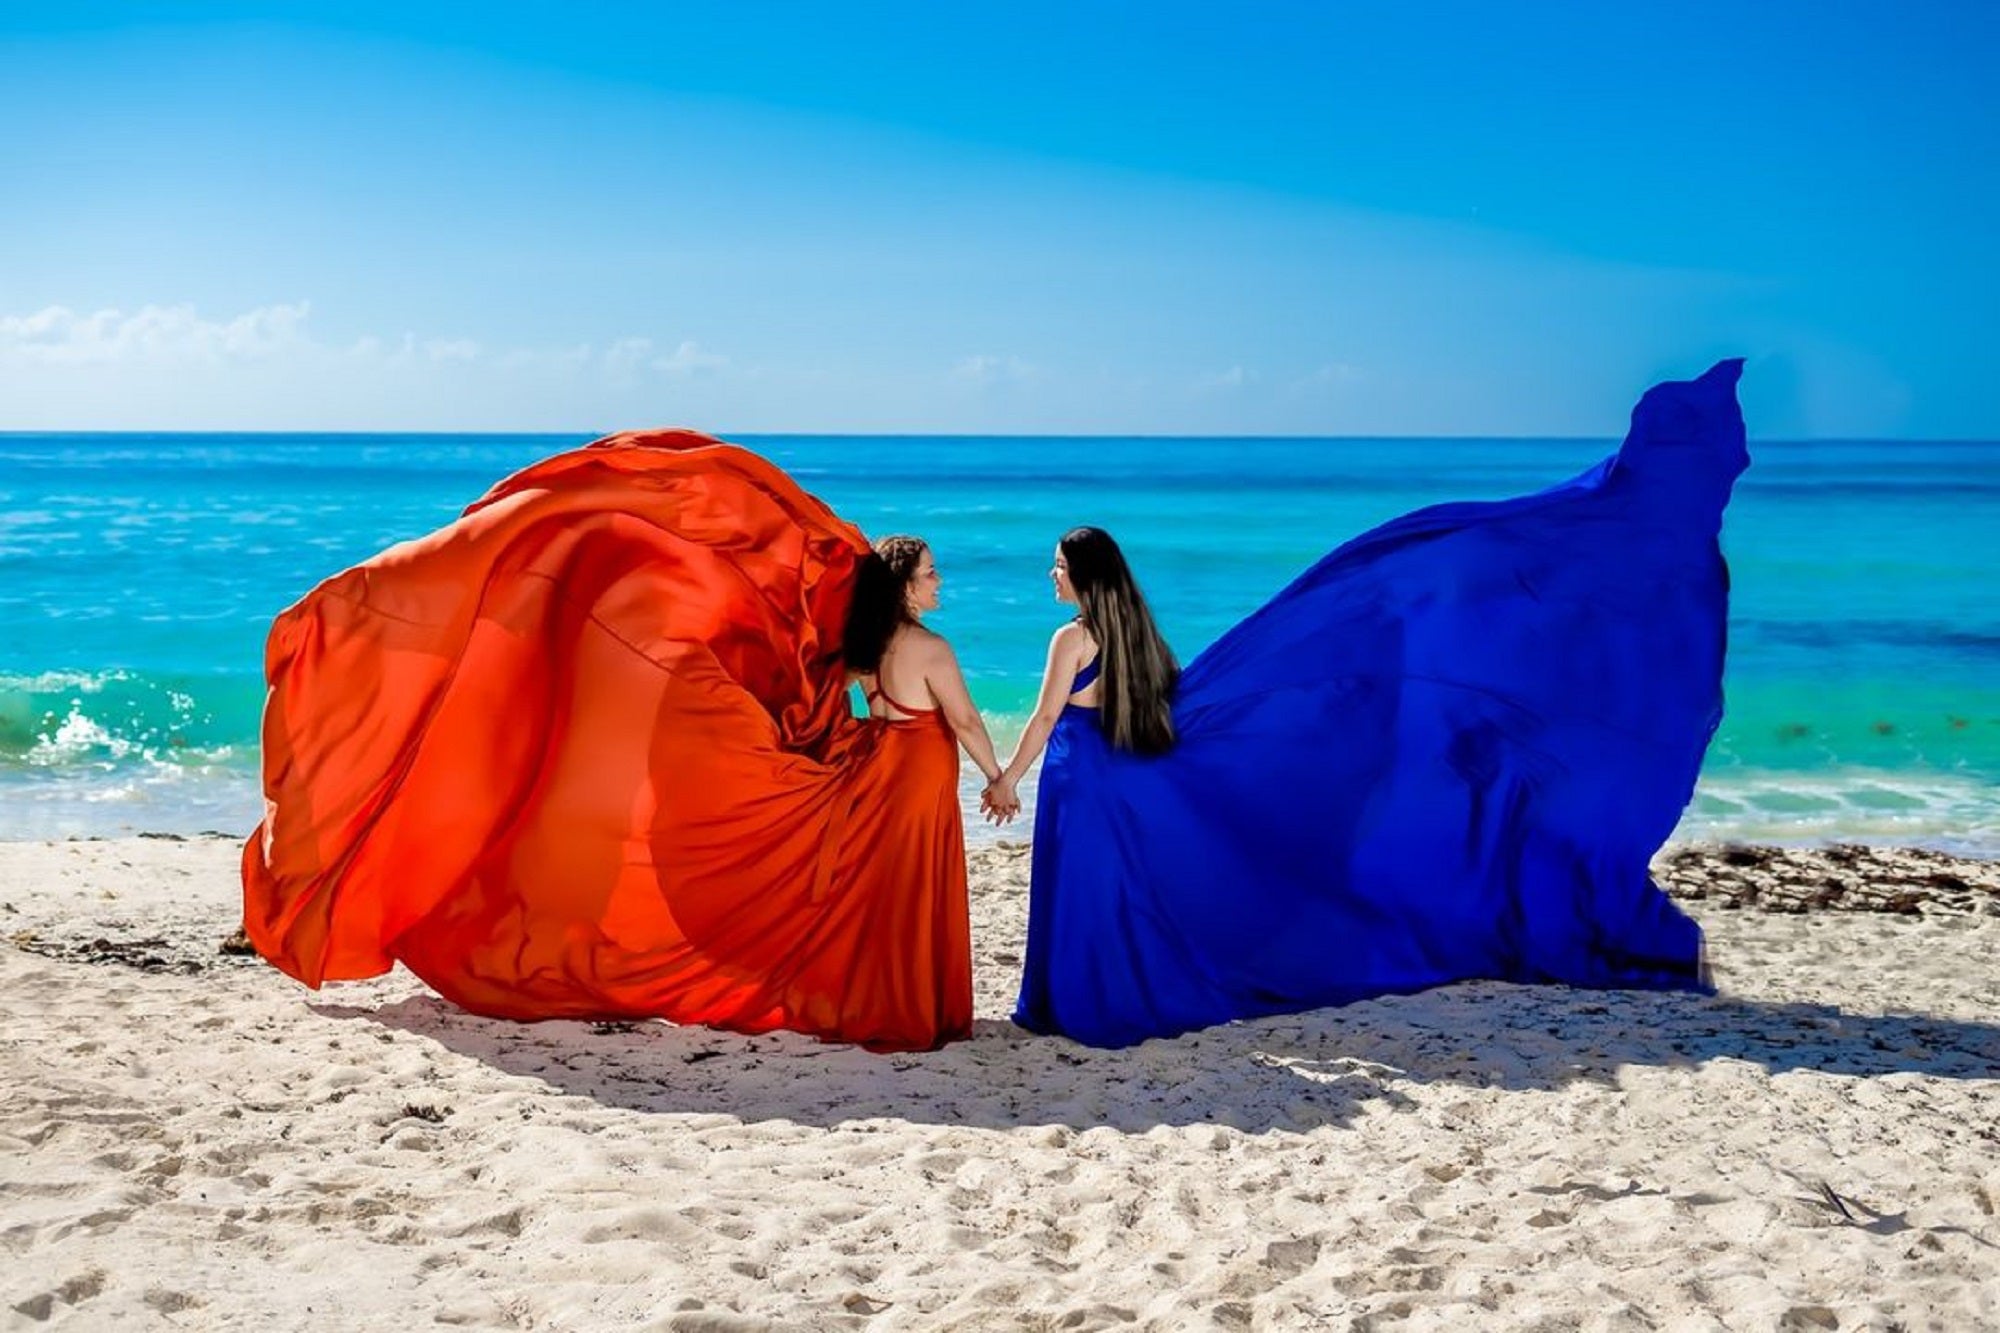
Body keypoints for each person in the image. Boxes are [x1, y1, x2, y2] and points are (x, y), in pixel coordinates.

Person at [990, 361, 1747, 1047]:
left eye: (1056, 568)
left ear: (1083, 578)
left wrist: (1007, 777)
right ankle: (1100, 998)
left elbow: (1046, 717)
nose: (1050, 578)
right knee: (1118, 888)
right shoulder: (1139, 632)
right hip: (1129, 769)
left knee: (1084, 885)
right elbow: (1178, 694)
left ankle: (1069, 1005)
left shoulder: (1071, 638)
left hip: (1084, 774)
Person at [242, 431, 977, 1051]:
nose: (941, 581)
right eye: (932, 573)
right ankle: (901, 996)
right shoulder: (914, 646)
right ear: (907, 587)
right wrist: (999, 775)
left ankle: (885, 991)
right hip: (898, 768)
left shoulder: (873, 645)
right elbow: (944, 712)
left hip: (879, 763)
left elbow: (824, 665)